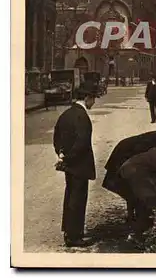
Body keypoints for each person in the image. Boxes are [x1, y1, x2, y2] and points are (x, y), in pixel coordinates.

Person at [102, 120, 156, 222]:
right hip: (123, 158)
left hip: (125, 155)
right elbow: (141, 154)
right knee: (130, 186)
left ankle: (133, 216)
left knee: (131, 188)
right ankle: (136, 218)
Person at [53, 82, 97, 248]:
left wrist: (62, 155)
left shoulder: (66, 114)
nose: (93, 103)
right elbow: (82, 143)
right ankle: (75, 237)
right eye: (93, 99)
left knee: (70, 196)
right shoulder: (82, 116)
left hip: (69, 165)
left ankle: (68, 231)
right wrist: (70, 158)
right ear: (86, 98)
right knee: (78, 199)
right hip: (79, 165)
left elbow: (56, 137)